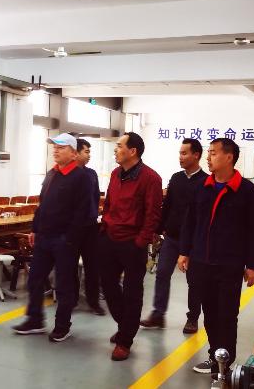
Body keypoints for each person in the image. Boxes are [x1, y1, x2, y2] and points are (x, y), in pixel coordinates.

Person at [177, 138, 254, 376]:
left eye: (213, 153)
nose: (208, 157)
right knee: (209, 315)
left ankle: (225, 364)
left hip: (229, 265)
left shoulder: (246, 190)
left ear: (229, 157)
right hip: (201, 262)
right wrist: (184, 251)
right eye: (209, 152)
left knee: (227, 315)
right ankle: (214, 357)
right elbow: (190, 222)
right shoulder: (202, 187)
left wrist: (253, 264)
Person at [13, 133, 93, 342]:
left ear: (73, 153)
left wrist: (70, 239)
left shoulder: (81, 177)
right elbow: (42, 205)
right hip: (44, 238)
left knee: (64, 285)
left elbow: (83, 213)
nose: (55, 150)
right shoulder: (52, 174)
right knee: (34, 279)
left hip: (64, 240)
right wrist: (34, 229)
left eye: (61, 147)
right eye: (54, 147)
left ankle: (62, 326)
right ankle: (35, 320)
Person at [100, 132, 162, 361]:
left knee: (132, 291)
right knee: (107, 284)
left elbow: (153, 214)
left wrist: (141, 241)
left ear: (132, 151)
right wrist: (105, 226)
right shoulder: (115, 174)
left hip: (133, 243)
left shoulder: (150, 178)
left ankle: (125, 340)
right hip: (110, 238)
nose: (115, 150)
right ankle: (126, 324)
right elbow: (109, 204)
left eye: (119, 146)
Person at [141, 138, 206, 333]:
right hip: (172, 237)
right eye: (180, 153)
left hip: (194, 242)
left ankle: (192, 318)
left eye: (184, 153)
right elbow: (167, 206)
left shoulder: (205, 182)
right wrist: (158, 229)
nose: (180, 157)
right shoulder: (176, 178)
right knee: (162, 273)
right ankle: (158, 314)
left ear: (196, 155)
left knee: (194, 281)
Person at [74, 138, 105, 315]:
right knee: (70, 265)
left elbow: (95, 197)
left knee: (93, 265)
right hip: (73, 228)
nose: (89, 155)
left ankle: (93, 302)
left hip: (91, 226)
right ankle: (72, 300)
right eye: (86, 152)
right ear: (76, 153)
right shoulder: (68, 174)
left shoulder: (91, 174)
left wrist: (93, 214)